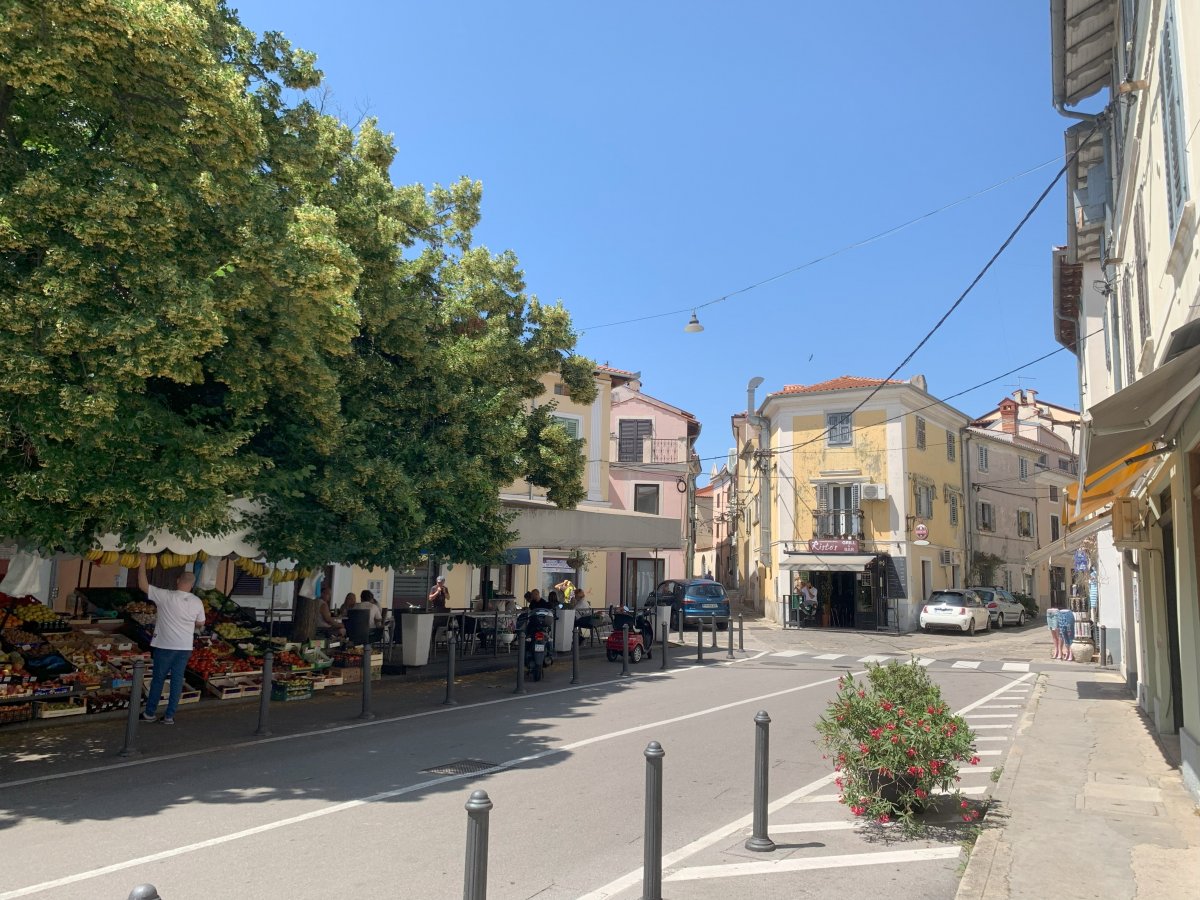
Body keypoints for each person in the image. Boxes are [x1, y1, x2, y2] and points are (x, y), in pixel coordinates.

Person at [137, 556, 206, 725]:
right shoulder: (197, 601)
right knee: (177, 680)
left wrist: (142, 564)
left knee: (158, 679)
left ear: (177, 581)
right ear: (191, 585)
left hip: (165, 646)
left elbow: (143, 586)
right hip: (184, 647)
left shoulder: (165, 596)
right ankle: (169, 716)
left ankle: (150, 713)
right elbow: (201, 623)